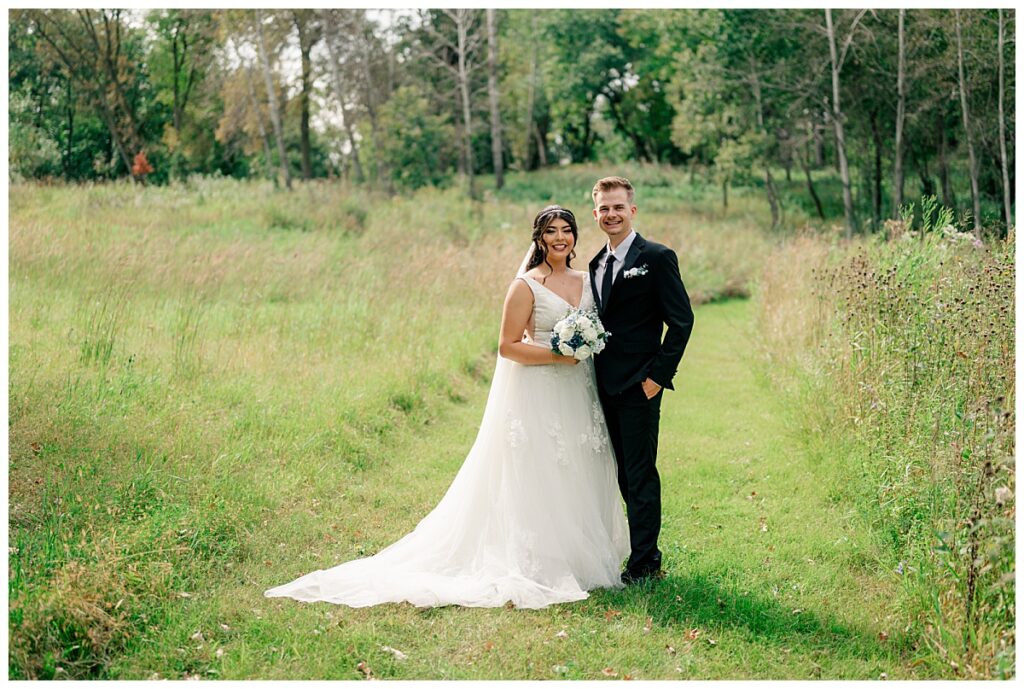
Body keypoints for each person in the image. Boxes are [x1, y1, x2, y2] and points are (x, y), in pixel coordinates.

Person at [264, 205, 628, 609]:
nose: (560, 238)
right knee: (542, 469)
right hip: (542, 388)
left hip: (580, 390)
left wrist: (587, 345)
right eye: (551, 231)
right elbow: (508, 346)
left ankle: (581, 558)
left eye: (566, 231)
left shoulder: (588, 278)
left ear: (575, 236)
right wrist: (559, 356)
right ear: (538, 238)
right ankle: (541, 561)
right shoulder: (526, 285)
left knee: (578, 465)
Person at [588, 176, 694, 585]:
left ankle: (646, 564)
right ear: (595, 213)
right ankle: (630, 552)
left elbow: (681, 321)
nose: (611, 214)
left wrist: (656, 378)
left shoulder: (657, 256)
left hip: (639, 385)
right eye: (603, 208)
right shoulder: (596, 263)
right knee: (619, 476)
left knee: (640, 474)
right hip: (601, 387)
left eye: (618, 207)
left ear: (632, 210)